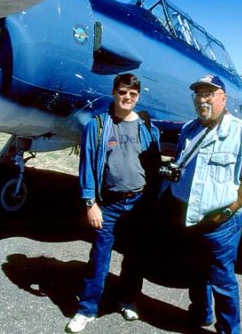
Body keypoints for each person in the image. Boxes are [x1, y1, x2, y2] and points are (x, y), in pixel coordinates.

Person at [158, 75, 242, 334]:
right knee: (196, 271)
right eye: (198, 95)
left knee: (223, 281)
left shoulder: (240, 133)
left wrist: (229, 210)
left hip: (222, 223)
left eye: (209, 94)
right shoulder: (188, 130)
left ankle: (229, 330)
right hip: (190, 216)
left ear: (222, 99)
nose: (202, 100)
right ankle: (200, 314)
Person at [65, 73, 161, 333]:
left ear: (138, 97)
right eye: (122, 92)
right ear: (114, 93)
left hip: (138, 202)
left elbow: (154, 166)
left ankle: (127, 299)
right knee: (99, 257)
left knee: (134, 257)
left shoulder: (147, 127)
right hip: (108, 203)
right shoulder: (96, 126)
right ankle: (87, 309)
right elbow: (86, 167)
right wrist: (90, 203)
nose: (127, 97)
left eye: (132, 94)